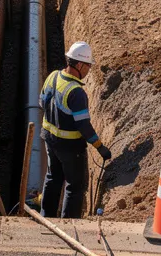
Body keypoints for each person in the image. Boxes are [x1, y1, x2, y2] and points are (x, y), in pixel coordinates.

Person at [40, 41, 111, 219]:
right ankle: (69, 225)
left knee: (53, 178)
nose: (88, 70)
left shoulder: (53, 76)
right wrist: (99, 146)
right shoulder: (76, 92)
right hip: (70, 147)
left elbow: (42, 102)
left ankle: (46, 217)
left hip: (49, 139)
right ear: (79, 64)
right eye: (88, 66)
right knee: (75, 185)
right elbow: (83, 126)